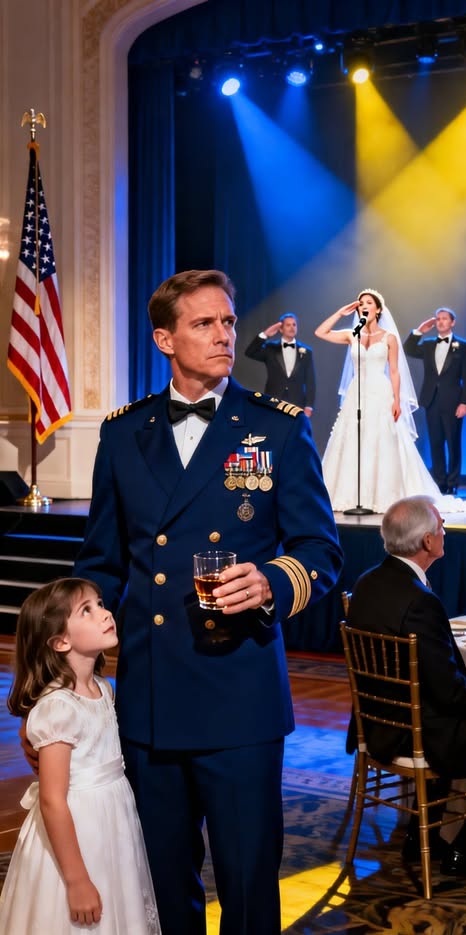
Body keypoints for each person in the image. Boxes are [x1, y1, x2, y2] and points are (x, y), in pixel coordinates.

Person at [65, 269, 342, 935]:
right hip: (151, 695)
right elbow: (101, 563)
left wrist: (272, 581)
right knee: (163, 882)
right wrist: (71, 663)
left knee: (248, 887)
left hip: (239, 691)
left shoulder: (277, 428)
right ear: (165, 339)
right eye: (204, 323)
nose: (224, 336)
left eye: (228, 321)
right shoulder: (123, 433)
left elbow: (321, 550)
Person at [346, 495, 466, 877]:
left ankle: (420, 834)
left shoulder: (366, 582)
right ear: (427, 541)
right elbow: (447, 691)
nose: (445, 531)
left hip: (376, 722)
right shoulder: (419, 601)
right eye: (441, 526)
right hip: (414, 733)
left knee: (445, 709)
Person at [0, 578, 160, 934]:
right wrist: (76, 880)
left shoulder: (102, 688)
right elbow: (52, 800)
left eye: (100, 603)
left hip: (112, 823)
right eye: (86, 610)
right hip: (78, 830)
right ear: (61, 642)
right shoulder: (59, 708)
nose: (105, 613)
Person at [314, 289, 466, 514]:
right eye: (361, 303)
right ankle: (351, 494)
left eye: (369, 303)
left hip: (380, 392)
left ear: (378, 309)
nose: (364, 306)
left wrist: (397, 400)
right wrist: (341, 313)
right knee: (353, 439)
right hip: (356, 394)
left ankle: (383, 494)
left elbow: (395, 371)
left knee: (382, 440)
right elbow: (320, 332)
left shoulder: (389, 337)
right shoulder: (353, 334)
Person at [403, 307, 466, 495]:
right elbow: (408, 349)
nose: (440, 321)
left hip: (453, 402)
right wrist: (419, 331)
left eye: (444, 318)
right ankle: (440, 481)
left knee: (453, 443)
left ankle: (453, 481)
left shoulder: (463, 346)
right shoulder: (428, 345)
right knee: (436, 443)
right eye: (438, 319)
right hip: (432, 400)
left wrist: (464, 403)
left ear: (452, 322)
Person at [245, 312, 316, 415]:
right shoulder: (271, 348)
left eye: (294, 325)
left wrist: (309, 406)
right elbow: (250, 352)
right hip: (273, 399)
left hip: (297, 403)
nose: (292, 328)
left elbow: (310, 380)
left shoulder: (306, 352)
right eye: (288, 325)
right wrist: (265, 335)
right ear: (281, 329)